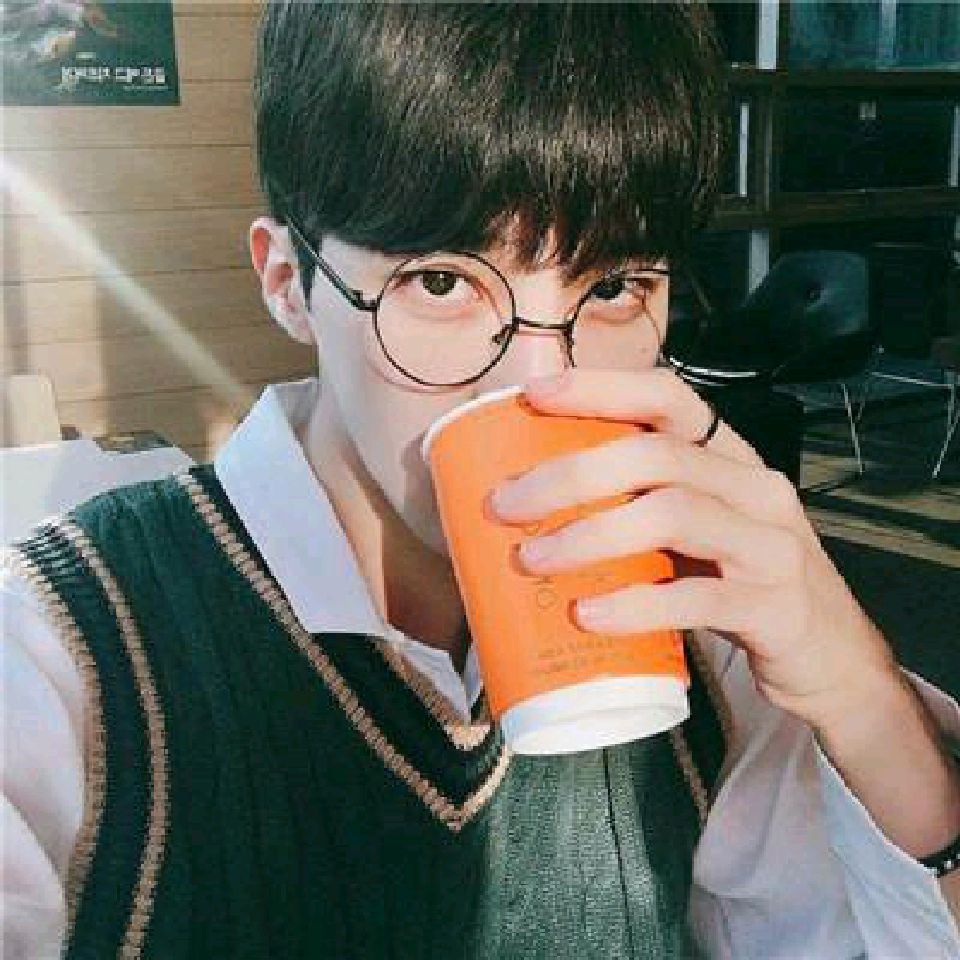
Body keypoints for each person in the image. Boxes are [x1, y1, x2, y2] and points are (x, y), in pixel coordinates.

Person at [3, 3, 959, 957]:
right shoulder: (59, 652)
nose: (539, 383)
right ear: (289, 282)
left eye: (612, 287)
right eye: (442, 282)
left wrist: (859, 693)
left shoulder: (702, 637)